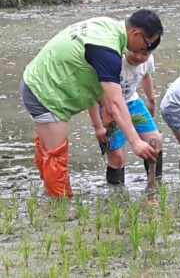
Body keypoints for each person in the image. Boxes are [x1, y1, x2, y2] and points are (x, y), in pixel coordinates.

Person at [22, 10, 163, 197]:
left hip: (45, 80)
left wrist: (104, 108)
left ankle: (48, 192)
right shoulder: (107, 51)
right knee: (56, 154)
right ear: (136, 34)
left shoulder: (108, 26)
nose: (146, 49)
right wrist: (136, 142)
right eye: (148, 43)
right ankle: (59, 209)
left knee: (50, 150)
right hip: (44, 93)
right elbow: (116, 102)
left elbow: (98, 81)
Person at [87, 49, 162, 186]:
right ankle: (117, 197)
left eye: (145, 54)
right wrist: (98, 127)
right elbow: (93, 95)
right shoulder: (113, 61)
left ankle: (155, 187)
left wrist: (151, 100)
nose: (140, 57)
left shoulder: (147, 59)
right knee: (117, 157)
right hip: (109, 108)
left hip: (133, 103)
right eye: (135, 52)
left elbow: (145, 76)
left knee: (156, 141)